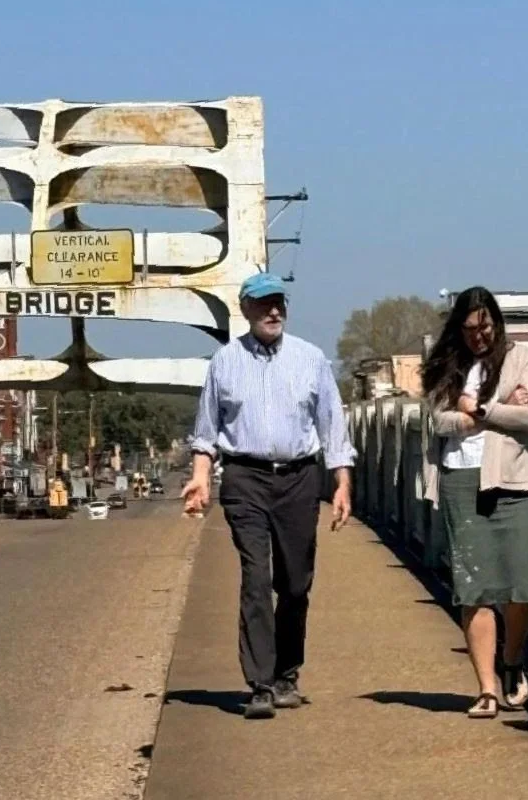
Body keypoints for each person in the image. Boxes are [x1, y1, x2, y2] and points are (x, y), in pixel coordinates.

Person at [181, 272, 355, 719]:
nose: (273, 311)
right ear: (245, 310)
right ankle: (259, 683)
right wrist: (201, 477)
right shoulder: (224, 362)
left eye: (279, 303)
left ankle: (286, 674)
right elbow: (207, 431)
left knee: (295, 583)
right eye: (263, 304)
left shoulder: (311, 359)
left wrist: (342, 484)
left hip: (298, 480)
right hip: (245, 478)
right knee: (256, 578)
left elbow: (333, 426)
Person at [422, 286, 528, 719]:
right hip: (460, 479)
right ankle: (487, 688)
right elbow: (439, 421)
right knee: (474, 589)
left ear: (496, 322)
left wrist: (478, 410)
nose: (479, 336)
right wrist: (493, 412)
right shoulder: (445, 366)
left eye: (485, 326)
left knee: (524, 586)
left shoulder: (521, 358)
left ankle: (511, 661)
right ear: (459, 327)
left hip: (514, 480)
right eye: (470, 328)